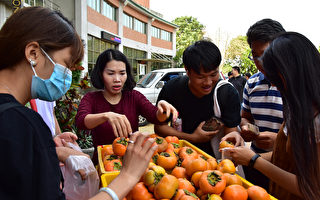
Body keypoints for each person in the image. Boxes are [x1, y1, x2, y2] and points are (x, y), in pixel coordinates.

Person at [0, 7, 158, 200]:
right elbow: (82, 120)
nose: (67, 75)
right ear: (33, 54)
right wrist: (128, 176)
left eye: (122, 73)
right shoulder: (23, 123)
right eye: (66, 65)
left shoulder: (16, 121)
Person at [223, 32, 320, 200]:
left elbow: (311, 188)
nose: (273, 84)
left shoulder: (316, 119)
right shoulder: (298, 108)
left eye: (275, 77)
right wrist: (243, 155)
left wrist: (254, 160)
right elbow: (286, 160)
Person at [75, 49, 178, 164]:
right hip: (104, 163)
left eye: (122, 73)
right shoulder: (91, 98)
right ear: (100, 74)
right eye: (110, 73)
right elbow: (80, 121)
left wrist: (163, 110)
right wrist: (106, 116)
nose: (117, 79)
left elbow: (155, 116)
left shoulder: (134, 96)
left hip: (131, 163)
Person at [154, 40, 241, 157]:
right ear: (187, 71)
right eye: (200, 77)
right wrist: (192, 138)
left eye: (213, 74)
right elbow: (160, 127)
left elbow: (231, 137)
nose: (208, 82)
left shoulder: (226, 93)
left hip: (214, 162)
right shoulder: (172, 88)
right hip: (178, 158)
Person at [239, 18, 285, 190]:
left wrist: (280, 141)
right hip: (255, 162)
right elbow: (245, 118)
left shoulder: (296, 86)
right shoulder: (251, 83)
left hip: (286, 166)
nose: (260, 62)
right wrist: (246, 129)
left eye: (265, 54)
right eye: (255, 56)